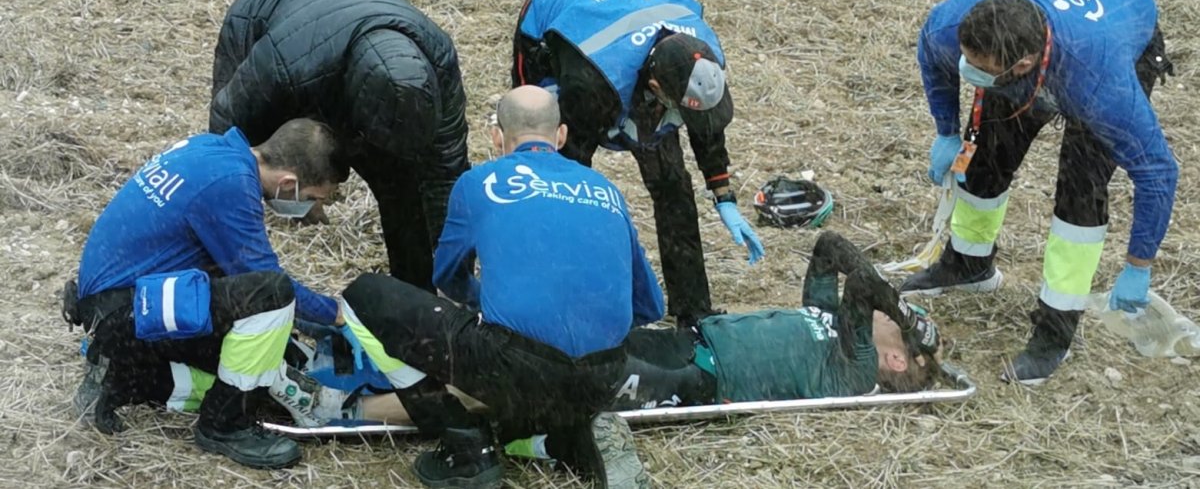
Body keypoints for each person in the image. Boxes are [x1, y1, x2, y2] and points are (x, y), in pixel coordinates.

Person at [334, 86, 664, 489]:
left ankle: (462, 441)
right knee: (538, 367)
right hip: (603, 377)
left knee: (364, 294)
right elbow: (650, 305)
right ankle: (565, 429)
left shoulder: (480, 182)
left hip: (515, 368)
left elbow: (447, 277)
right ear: (560, 136)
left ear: (496, 137)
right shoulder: (606, 190)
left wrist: (484, 306)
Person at [283, 231, 942, 429]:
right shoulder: (835, 324)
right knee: (529, 355)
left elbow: (859, 276)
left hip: (692, 378)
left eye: (898, 334)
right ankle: (370, 369)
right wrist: (897, 308)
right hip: (685, 344)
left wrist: (897, 305)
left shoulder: (859, 363)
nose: (887, 320)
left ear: (893, 357)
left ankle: (354, 407)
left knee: (527, 387)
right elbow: (830, 248)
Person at [905, 0, 1177, 385]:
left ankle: (1055, 331)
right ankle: (968, 266)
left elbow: (1158, 171)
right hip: (1039, 43)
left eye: (981, 69)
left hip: (1103, 40)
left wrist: (1138, 265)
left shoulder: (1101, 85)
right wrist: (946, 132)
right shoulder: (953, 24)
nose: (967, 71)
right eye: (967, 60)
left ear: (1024, 65)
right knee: (984, 159)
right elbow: (931, 53)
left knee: (1079, 192)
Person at [64, 118, 348, 469]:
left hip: (125, 298)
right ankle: (225, 426)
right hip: (128, 311)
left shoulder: (215, 151)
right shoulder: (230, 185)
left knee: (261, 356)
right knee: (272, 295)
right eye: (312, 199)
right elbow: (265, 280)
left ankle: (120, 373)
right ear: (289, 184)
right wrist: (334, 313)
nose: (313, 210)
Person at [511, 0, 764, 326]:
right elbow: (569, 171)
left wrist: (723, 196)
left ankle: (693, 312)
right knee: (561, 182)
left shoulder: (702, 62)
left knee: (673, 184)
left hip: (630, 17)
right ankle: (555, 292)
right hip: (553, 24)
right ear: (657, 89)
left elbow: (707, 125)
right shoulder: (594, 85)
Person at [209, 0, 470, 290]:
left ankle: (415, 291)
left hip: (353, 42)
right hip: (266, 21)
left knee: (401, 184)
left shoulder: (440, 64)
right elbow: (223, 133)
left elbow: (447, 174)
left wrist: (454, 276)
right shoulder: (285, 67)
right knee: (245, 166)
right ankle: (224, 285)